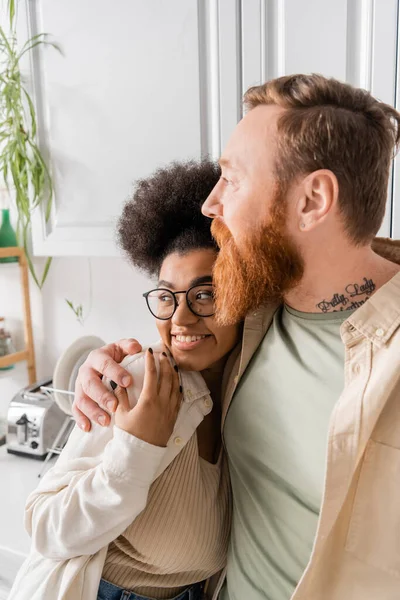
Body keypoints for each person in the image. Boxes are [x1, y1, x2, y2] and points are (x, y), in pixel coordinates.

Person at [73, 74, 400, 600]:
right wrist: (97, 370)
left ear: (313, 199)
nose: (210, 203)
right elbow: (179, 331)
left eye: (234, 179)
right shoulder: (252, 302)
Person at [9, 160, 241, 600]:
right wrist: (135, 453)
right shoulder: (139, 381)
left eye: (206, 294)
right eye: (167, 296)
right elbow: (44, 524)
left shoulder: (246, 385)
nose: (180, 317)